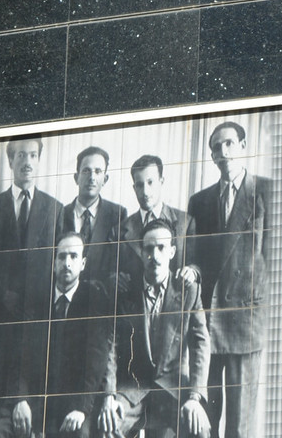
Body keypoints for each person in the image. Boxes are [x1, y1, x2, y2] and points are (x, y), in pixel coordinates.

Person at [0, 233, 113, 438]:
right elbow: (18, 357)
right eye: (61, 257)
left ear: (83, 263)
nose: (67, 263)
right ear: (54, 263)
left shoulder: (94, 300)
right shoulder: (36, 300)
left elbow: (95, 364)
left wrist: (81, 409)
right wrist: (20, 399)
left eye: (73, 257)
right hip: (33, 404)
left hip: (72, 406)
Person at [186, 122, 270, 438]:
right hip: (207, 323)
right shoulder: (200, 201)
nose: (224, 153)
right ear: (211, 156)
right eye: (217, 148)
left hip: (245, 322)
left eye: (230, 144)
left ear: (243, 146)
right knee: (203, 419)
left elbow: (277, 260)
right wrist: (192, 269)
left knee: (239, 424)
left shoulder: (267, 192)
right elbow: (195, 255)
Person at [99, 219, 211, 438]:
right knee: (108, 424)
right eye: (149, 249)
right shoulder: (125, 291)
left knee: (200, 428)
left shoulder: (189, 290)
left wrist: (195, 397)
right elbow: (111, 346)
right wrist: (109, 396)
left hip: (173, 388)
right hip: (133, 387)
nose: (155, 255)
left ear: (172, 252)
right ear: (141, 253)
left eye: (161, 248)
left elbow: (201, 344)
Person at [0, 136, 63, 323]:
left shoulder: (56, 208)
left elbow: (57, 260)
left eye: (33, 155)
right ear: (10, 161)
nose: (27, 162)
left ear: (38, 161)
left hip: (39, 311)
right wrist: (2, 294)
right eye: (21, 155)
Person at [58, 145, 127, 292]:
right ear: (76, 178)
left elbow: (119, 264)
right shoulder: (59, 214)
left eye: (98, 171)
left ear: (105, 179)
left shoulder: (118, 215)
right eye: (86, 171)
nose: (92, 178)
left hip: (102, 298)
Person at [120, 154, 196, 279]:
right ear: (134, 188)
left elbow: (195, 264)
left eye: (150, 182)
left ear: (161, 182)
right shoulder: (120, 230)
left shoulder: (186, 223)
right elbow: (111, 273)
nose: (145, 192)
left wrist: (192, 271)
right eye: (139, 185)